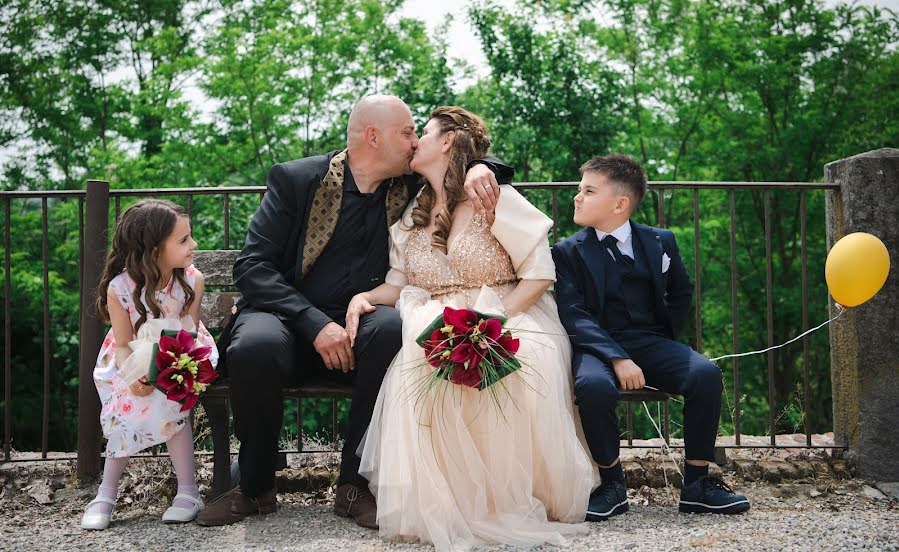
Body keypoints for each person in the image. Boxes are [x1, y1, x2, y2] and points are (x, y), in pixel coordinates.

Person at [196, 95, 512, 527]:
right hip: (286, 318)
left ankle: (353, 485)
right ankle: (254, 488)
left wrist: (482, 167)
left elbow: (464, 165)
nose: (415, 141)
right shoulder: (297, 179)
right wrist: (315, 323)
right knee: (254, 345)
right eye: (406, 132)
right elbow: (252, 266)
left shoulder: (408, 187)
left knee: (391, 329)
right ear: (373, 136)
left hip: (362, 319)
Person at [348, 106, 597, 551]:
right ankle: (443, 504)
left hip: (507, 310)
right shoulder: (412, 213)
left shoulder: (495, 197)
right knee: (418, 360)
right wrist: (362, 298)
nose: (413, 143)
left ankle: (502, 497)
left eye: (421, 133)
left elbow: (539, 274)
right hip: (435, 317)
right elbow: (396, 283)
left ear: (447, 141)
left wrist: (492, 322)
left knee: (516, 362)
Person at [552, 154, 750, 519]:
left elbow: (682, 291)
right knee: (593, 386)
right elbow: (573, 313)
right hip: (597, 345)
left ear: (620, 203)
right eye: (579, 190)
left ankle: (697, 486)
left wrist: (665, 341)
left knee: (705, 373)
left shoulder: (660, 241)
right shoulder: (567, 252)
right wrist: (616, 357)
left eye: (588, 190)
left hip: (649, 340)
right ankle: (612, 485)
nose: (577, 197)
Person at [81, 200, 218, 530]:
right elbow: (124, 344)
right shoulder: (120, 289)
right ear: (154, 249)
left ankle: (188, 491)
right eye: (183, 240)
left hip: (181, 352)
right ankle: (106, 493)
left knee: (171, 394)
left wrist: (172, 370)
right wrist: (134, 376)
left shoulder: (191, 280)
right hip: (128, 357)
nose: (193, 245)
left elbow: (189, 332)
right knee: (130, 399)